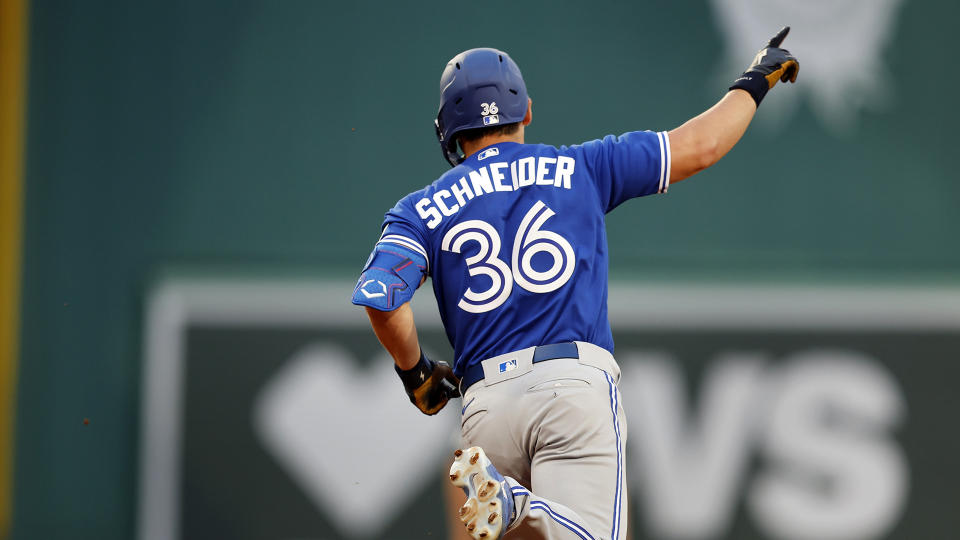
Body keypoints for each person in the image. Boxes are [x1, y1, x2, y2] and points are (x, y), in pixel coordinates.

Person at [351, 28, 798, 540]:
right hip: (570, 387)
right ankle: (519, 506)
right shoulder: (581, 166)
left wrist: (417, 374)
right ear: (527, 111)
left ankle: (511, 502)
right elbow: (702, 145)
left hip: (486, 407)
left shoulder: (420, 209)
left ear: (449, 130)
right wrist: (755, 80)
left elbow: (382, 298)